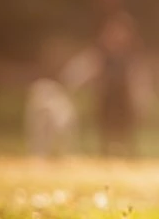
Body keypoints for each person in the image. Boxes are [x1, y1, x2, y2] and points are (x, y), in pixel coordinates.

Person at [62, 11, 153, 157]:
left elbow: (139, 81)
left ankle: (127, 149)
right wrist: (73, 85)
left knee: (126, 127)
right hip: (106, 101)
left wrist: (143, 102)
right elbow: (79, 71)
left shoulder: (132, 58)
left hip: (125, 102)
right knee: (106, 119)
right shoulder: (99, 55)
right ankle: (106, 149)